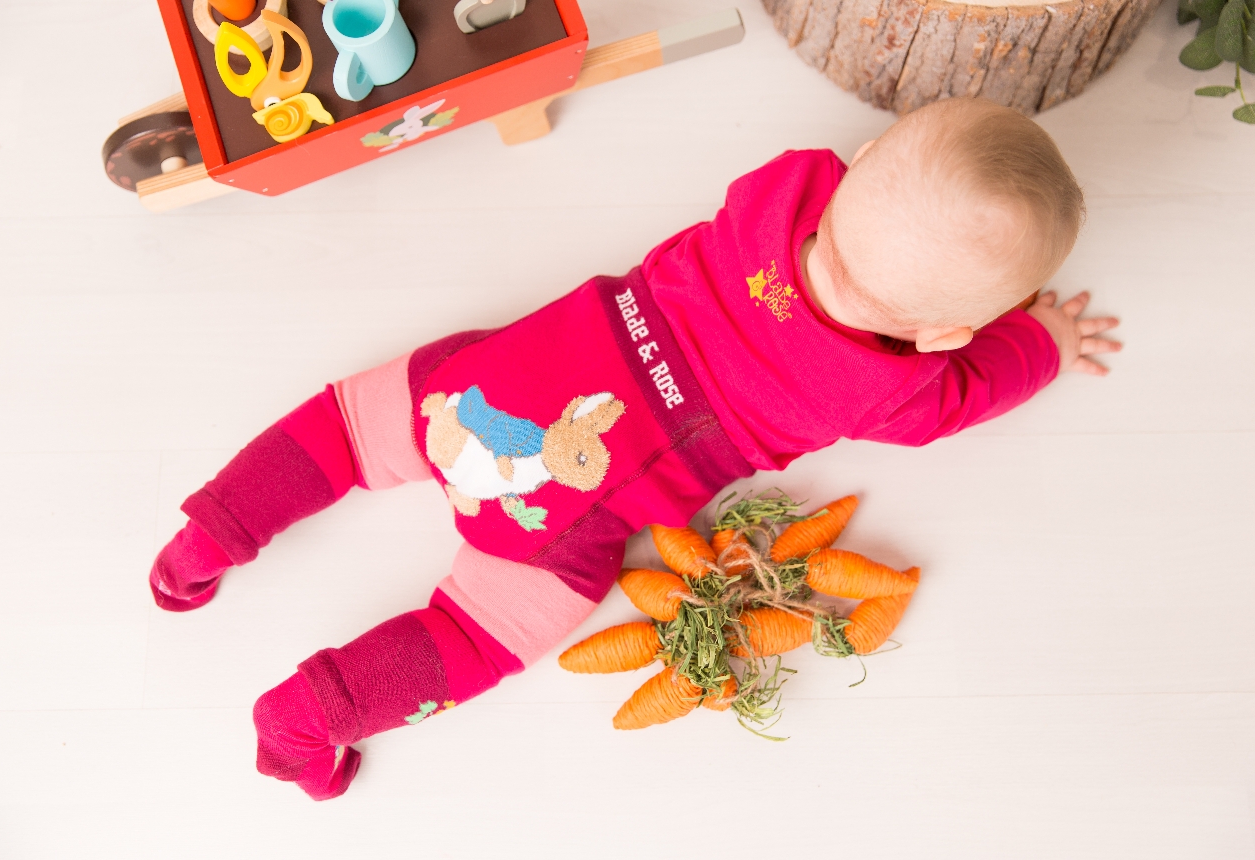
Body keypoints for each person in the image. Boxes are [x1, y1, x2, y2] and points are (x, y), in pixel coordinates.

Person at [148, 97, 1121, 800]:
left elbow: (863, 188)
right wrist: (1041, 340)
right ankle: (318, 711)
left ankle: (210, 532)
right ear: (945, 334)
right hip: (568, 503)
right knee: (476, 633)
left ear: (857, 162)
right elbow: (971, 391)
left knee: (347, 428)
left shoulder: (782, 189)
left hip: (488, 378)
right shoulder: (897, 386)